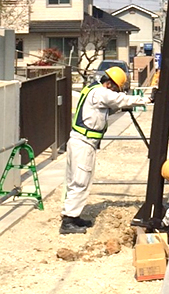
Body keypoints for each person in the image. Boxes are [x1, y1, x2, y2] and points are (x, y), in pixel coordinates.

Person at [60, 66, 148, 235]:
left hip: (81, 141)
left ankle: (73, 215)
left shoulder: (92, 89)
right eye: (116, 88)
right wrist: (145, 100)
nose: (116, 92)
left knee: (76, 179)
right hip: (83, 143)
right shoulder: (101, 92)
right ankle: (68, 221)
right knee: (80, 180)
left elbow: (109, 106)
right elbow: (120, 100)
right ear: (110, 84)